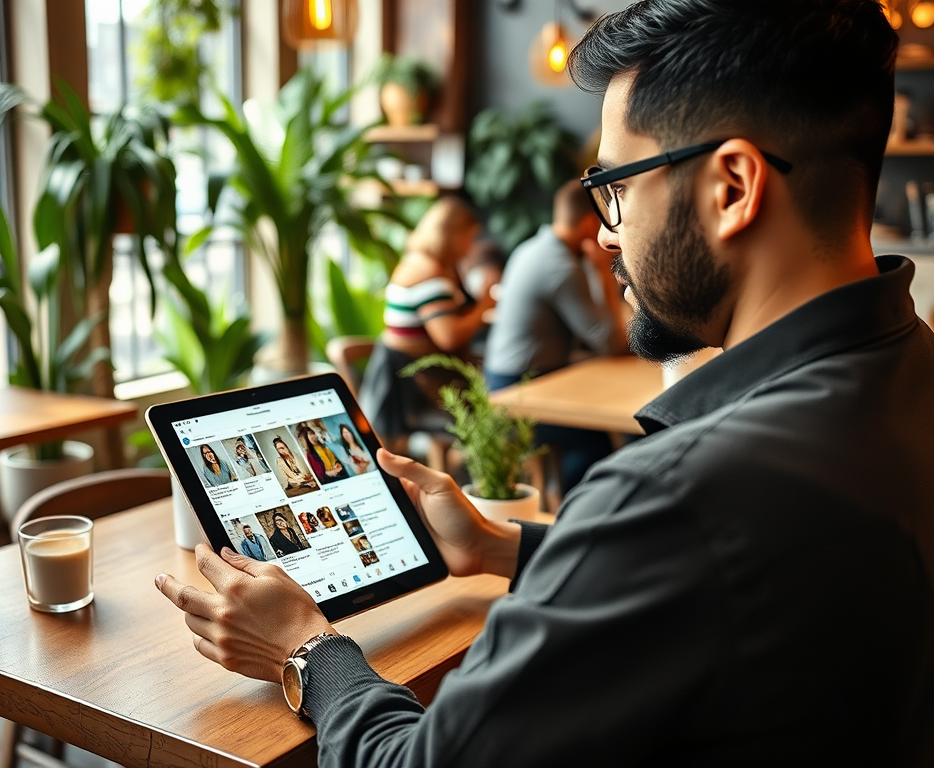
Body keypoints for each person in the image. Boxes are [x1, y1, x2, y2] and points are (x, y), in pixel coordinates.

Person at [155, 2, 934, 765]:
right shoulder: (909, 373)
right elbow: (727, 571)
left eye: (618, 185)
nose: (604, 229)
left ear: (731, 187)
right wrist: (502, 545)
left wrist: (306, 645)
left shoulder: (676, 495)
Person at [484, 179, 631, 495]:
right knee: (597, 442)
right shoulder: (560, 267)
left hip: (511, 378)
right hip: (518, 392)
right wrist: (603, 270)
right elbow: (611, 343)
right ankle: (576, 520)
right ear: (591, 221)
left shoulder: (534, 248)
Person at [358, 197, 495, 441]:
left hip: (407, 376)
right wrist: (484, 306)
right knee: (498, 395)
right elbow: (449, 337)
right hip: (420, 385)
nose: (470, 247)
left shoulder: (415, 262)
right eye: (469, 238)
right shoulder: (429, 276)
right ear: (453, 235)